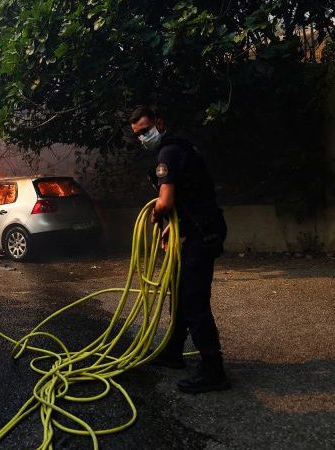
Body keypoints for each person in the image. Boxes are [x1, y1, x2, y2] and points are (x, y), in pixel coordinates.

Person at [129, 105, 231, 394]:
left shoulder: (168, 153)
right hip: (200, 229)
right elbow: (188, 199)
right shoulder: (181, 148)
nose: (143, 138)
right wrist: (170, 228)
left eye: (146, 130)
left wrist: (156, 215)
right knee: (179, 291)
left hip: (202, 234)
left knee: (193, 300)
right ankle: (173, 353)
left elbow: (166, 202)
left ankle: (214, 371)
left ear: (159, 123)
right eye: (138, 134)